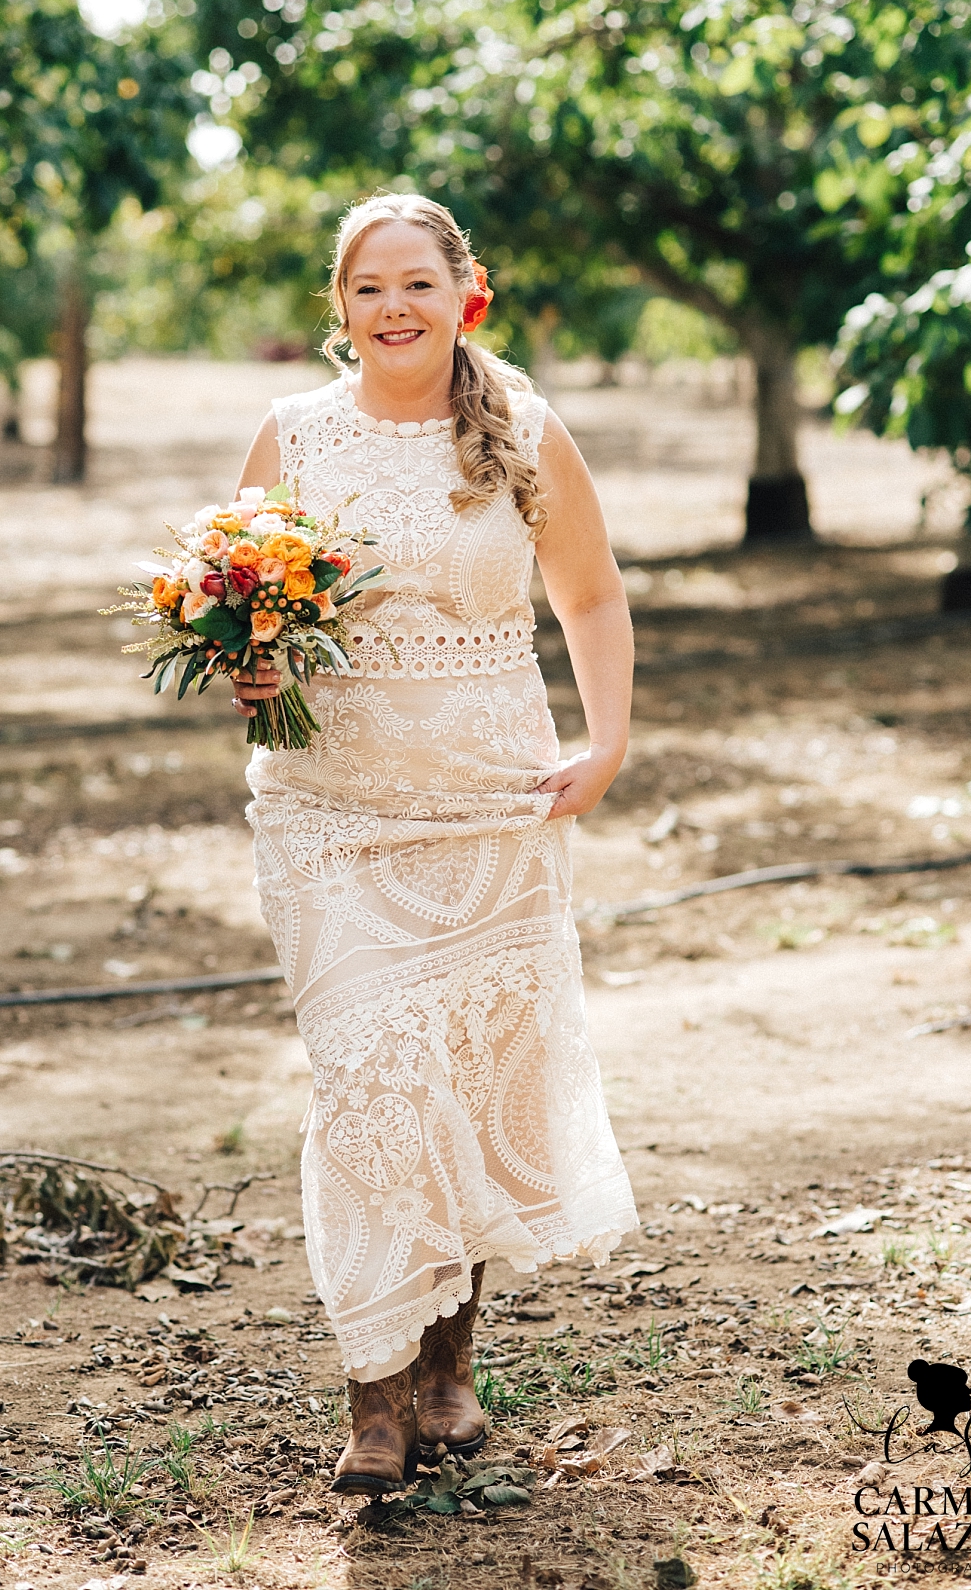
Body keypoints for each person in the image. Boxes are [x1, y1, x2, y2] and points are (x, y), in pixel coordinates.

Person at [232, 193, 637, 1497]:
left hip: (489, 802)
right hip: (331, 811)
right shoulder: (292, 437)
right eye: (367, 289)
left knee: (461, 1082)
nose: (392, 307)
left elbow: (588, 590)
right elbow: (244, 604)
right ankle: (372, 1393)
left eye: (418, 282)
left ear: (467, 289)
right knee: (367, 1085)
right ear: (339, 308)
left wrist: (609, 738)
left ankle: (448, 1369)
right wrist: (249, 665)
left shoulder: (520, 428)